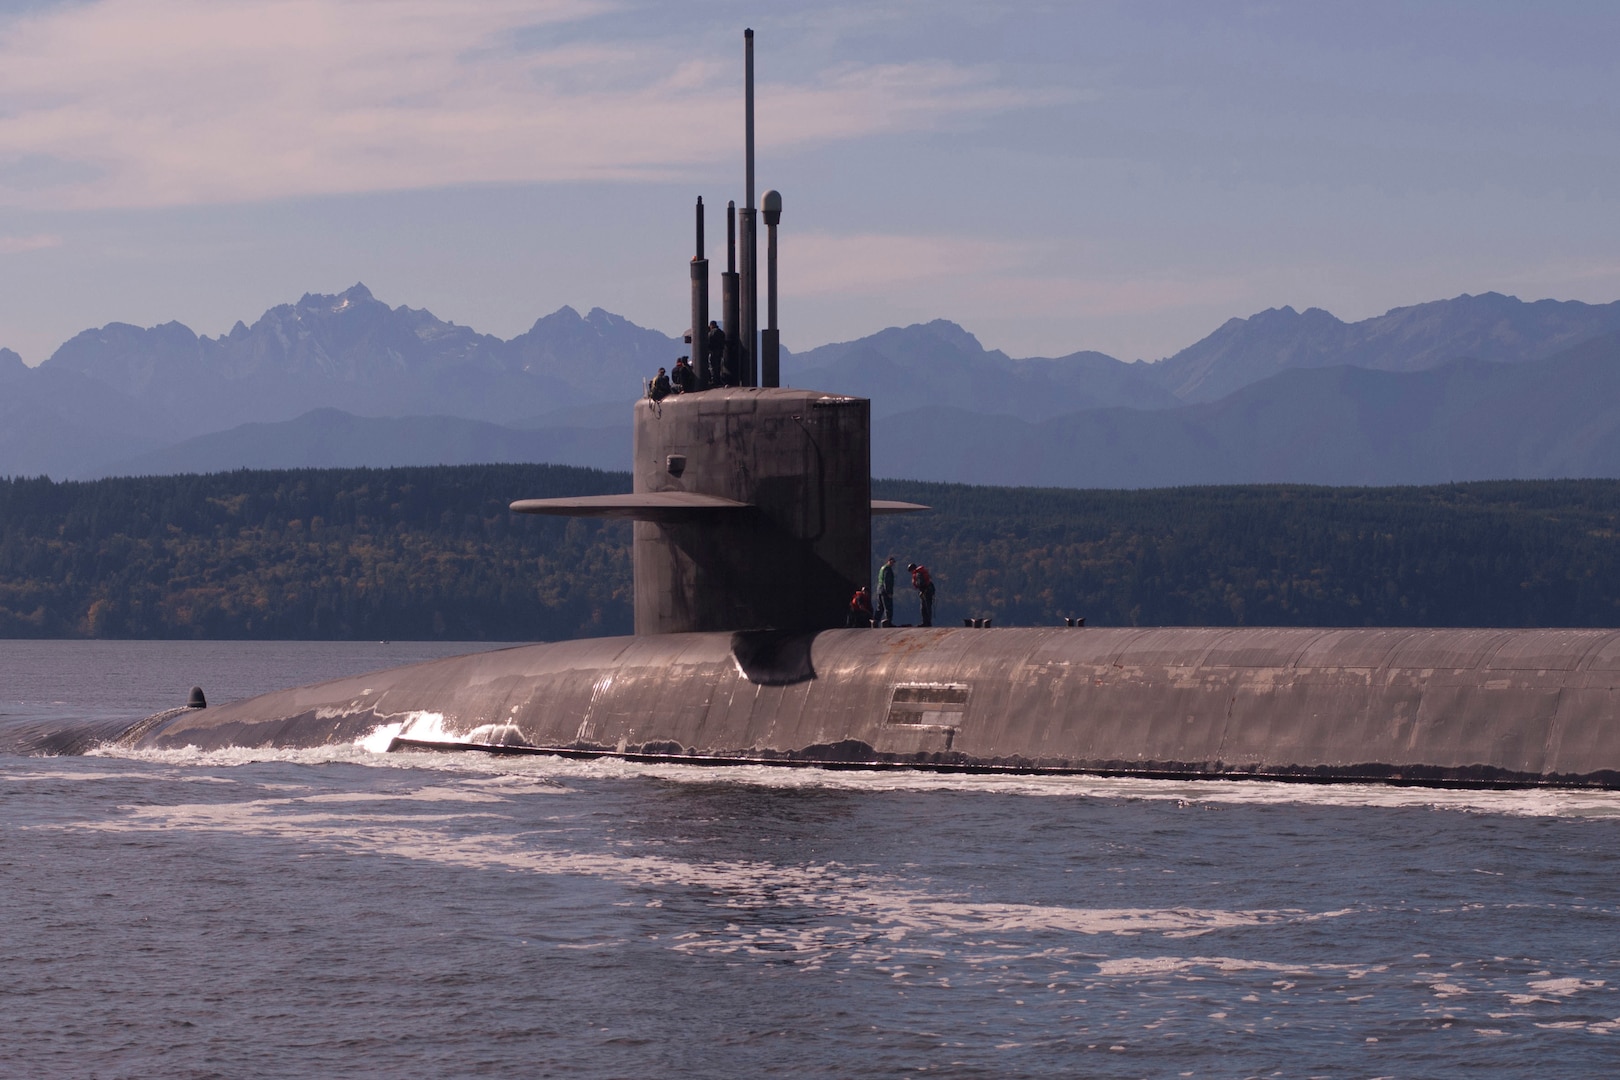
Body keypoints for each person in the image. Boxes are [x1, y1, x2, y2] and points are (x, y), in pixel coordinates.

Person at [908, 562, 935, 627]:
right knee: (926, 607)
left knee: (925, 607)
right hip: (928, 590)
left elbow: (921, 584)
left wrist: (922, 592)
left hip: (926, 591)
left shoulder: (918, 574)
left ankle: (927, 622)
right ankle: (926, 622)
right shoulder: (920, 572)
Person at [874, 556, 897, 627]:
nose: (893, 564)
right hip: (885, 591)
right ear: (889, 561)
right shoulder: (888, 569)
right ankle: (888, 622)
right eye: (892, 562)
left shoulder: (882, 568)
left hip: (879, 590)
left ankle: (875, 621)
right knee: (888, 607)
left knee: (880, 607)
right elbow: (887, 581)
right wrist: (889, 592)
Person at [707, 321, 732, 385]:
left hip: (713, 352)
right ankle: (718, 379)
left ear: (711, 325)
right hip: (720, 352)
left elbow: (708, 342)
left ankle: (714, 380)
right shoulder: (721, 332)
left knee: (712, 366)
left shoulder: (711, 333)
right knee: (719, 366)